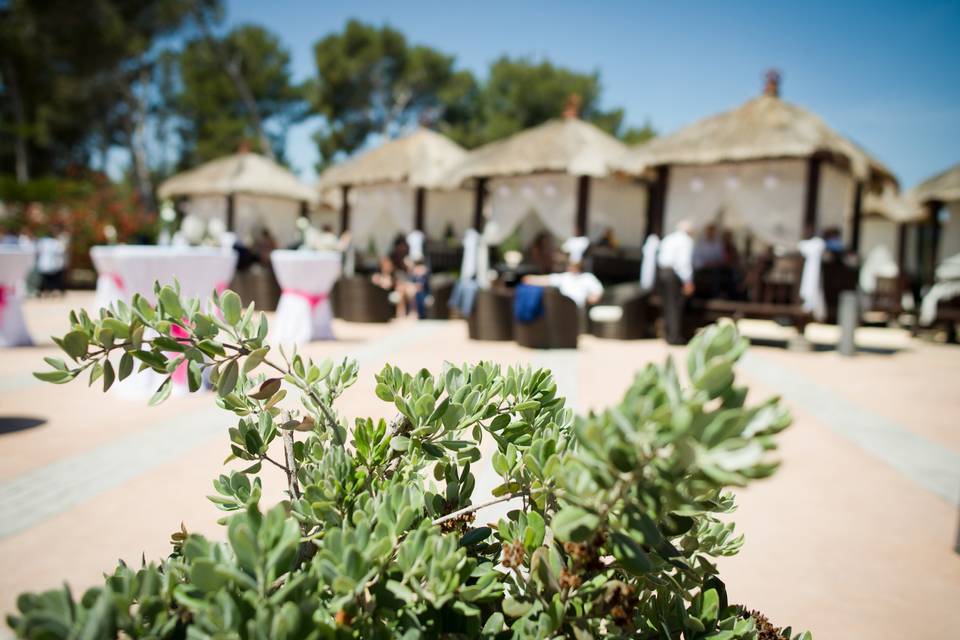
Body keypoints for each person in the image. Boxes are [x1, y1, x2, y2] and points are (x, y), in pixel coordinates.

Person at [657, 220, 695, 345]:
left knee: (667, 304)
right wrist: (688, 281)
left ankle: (668, 334)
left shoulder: (669, 238)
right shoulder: (686, 241)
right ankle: (674, 336)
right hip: (673, 275)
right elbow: (683, 263)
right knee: (675, 306)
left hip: (662, 273)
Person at [523, 260, 603, 308]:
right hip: (562, 305)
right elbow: (547, 280)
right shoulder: (565, 277)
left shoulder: (587, 277)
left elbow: (597, 291)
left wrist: (592, 297)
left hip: (577, 308)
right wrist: (530, 279)